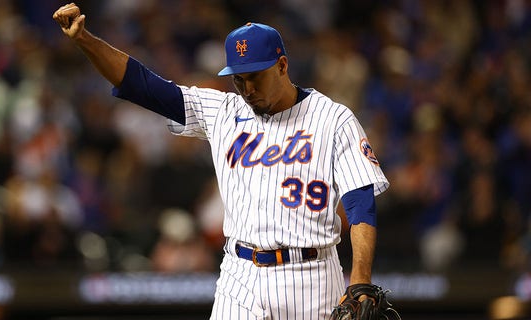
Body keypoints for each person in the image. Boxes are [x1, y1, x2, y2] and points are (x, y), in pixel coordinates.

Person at [53, 3, 389, 319]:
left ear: (282, 65)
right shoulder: (223, 111)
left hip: (311, 278)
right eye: (238, 78)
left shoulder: (333, 119)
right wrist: (84, 40)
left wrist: (359, 278)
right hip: (239, 274)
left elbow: (361, 204)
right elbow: (142, 85)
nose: (246, 88)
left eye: (255, 76)